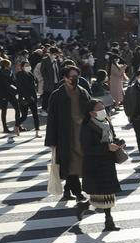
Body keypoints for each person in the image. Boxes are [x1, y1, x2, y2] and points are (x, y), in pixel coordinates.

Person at [45, 65, 91, 202]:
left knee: (77, 164)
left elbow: (90, 110)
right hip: (64, 136)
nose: (74, 79)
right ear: (65, 78)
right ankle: (77, 192)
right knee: (70, 164)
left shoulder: (83, 92)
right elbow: (51, 119)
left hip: (81, 134)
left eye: (77, 76)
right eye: (72, 77)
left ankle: (67, 191)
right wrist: (51, 141)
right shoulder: (57, 95)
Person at [76, 99, 122, 231]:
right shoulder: (86, 126)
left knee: (107, 193)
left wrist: (119, 143)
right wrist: (107, 147)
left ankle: (85, 207)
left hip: (107, 162)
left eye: (104, 108)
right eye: (99, 109)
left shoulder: (106, 122)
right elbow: (87, 149)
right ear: (91, 113)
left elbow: (113, 137)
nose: (103, 111)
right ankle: (109, 222)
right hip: (94, 165)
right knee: (104, 193)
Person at [0, 59, 21, 134]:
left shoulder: (5, 73)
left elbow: (11, 82)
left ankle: (11, 126)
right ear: (7, 65)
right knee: (14, 109)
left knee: (6, 111)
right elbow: (10, 83)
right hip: (7, 94)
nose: (10, 65)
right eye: (9, 64)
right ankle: (13, 126)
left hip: (6, 94)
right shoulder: (2, 74)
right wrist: (16, 89)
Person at [16, 61, 41, 137]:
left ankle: (37, 132)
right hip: (24, 98)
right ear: (22, 67)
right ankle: (17, 126)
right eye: (26, 65)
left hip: (33, 97)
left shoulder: (30, 74)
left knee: (35, 115)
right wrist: (28, 97)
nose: (28, 66)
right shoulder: (19, 75)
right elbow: (21, 88)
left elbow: (33, 85)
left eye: (29, 65)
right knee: (24, 116)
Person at [40, 47, 61, 116]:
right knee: (46, 96)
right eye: (55, 54)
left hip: (56, 82)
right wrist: (47, 80)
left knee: (54, 96)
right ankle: (43, 110)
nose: (56, 55)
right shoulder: (45, 60)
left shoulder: (55, 60)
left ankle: (52, 109)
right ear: (51, 53)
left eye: (56, 54)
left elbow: (57, 72)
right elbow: (42, 71)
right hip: (48, 82)